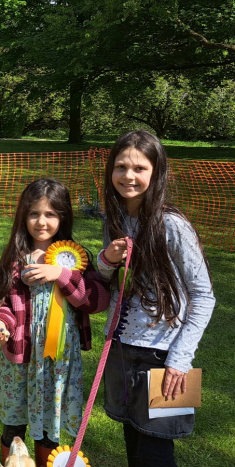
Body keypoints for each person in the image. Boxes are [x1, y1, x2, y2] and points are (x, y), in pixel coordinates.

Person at [97, 130, 215, 467]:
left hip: (166, 357)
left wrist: (181, 358)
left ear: (156, 172)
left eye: (139, 168)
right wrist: (107, 259)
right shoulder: (115, 220)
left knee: (156, 453)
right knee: (133, 442)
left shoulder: (173, 225)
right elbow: (108, 282)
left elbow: (204, 297)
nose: (128, 176)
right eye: (120, 167)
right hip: (121, 348)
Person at [0, 179, 110, 466]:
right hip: (20, 356)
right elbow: (0, 302)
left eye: (50, 214)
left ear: (63, 216)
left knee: (49, 427)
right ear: (23, 216)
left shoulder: (75, 258)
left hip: (58, 361)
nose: (41, 221)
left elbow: (96, 301)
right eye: (34, 213)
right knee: (14, 423)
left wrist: (61, 275)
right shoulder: (14, 258)